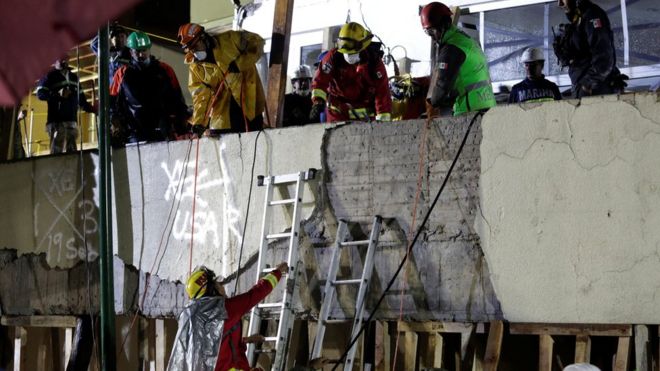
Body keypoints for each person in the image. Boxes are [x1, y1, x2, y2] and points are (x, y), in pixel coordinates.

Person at [167, 262, 288, 371]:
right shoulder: (224, 309)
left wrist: (246, 340)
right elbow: (254, 295)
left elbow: (215, 343)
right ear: (212, 289)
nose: (222, 287)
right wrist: (277, 272)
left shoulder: (190, 317)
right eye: (218, 284)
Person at [177, 23, 266, 136]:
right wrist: (199, 122)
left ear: (204, 38)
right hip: (223, 116)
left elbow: (257, 42)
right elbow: (201, 96)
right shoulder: (196, 67)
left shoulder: (230, 40)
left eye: (195, 47)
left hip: (249, 105)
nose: (194, 52)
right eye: (190, 50)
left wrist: (241, 63)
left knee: (254, 145)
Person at [110, 31, 189, 144]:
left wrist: (181, 124)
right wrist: (115, 123)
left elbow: (177, 99)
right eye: (137, 51)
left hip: (163, 130)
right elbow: (112, 102)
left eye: (144, 50)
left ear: (149, 48)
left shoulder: (165, 70)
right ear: (131, 51)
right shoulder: (121, 74)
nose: (141, 54)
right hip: (135, 133)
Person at [420, 2, 496, 116]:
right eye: (428, 33)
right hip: (489, 106)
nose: (433, 38)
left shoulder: (451, 48)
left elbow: (441, 89)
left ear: (443, 25)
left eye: (432, 32)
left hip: (470, 110)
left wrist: (432, 102)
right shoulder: (467, 41)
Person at [309, 22, 392, 123]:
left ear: (362, 46)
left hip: (366, 119)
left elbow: (382, 91)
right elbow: (320, 80)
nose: (348, 55)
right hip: (337, 115)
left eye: (352, 51)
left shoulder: (374, 61)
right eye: (345, 51)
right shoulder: (333, 57)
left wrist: (383, 121)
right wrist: (318, 101)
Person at [553, 0, 627, 98]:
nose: (560, 4)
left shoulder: (592, 15)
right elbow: (582, 56)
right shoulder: (579, 20)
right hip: (586, 87)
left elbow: (603, 58)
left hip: (595, 88)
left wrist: (587, 84)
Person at [36, 57, 94, 154]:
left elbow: (82, 100)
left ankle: (72, 169)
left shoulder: (74, 77)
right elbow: (40, 94)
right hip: (56, 122)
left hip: (71, 121)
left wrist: (92, 109)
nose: (64, 60)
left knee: (72, 152)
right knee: (56, 151)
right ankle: (55, 169)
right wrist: (57, 94)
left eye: (65, 57)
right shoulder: (49, 76)